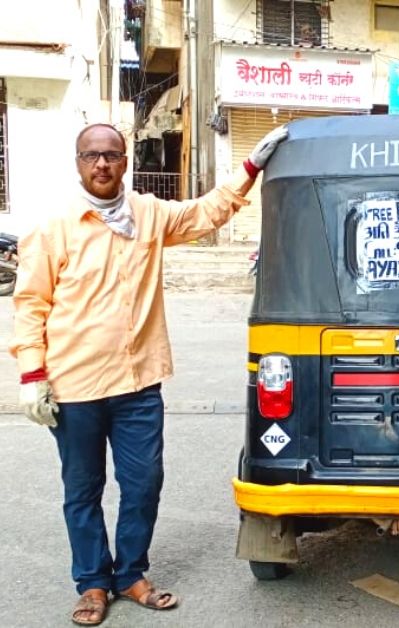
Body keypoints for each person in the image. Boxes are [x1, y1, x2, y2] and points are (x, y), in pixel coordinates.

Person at [10, 122, 288, 626]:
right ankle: (93, 582)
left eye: (112, 155)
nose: (102, 165)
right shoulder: (54, 228)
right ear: (77, 162)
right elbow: (31, 305)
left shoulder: (148, 214)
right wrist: (33, 375)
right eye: (91, 156)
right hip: (75, 387)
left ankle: (131, 573)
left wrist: (249, 168)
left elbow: (205, 212)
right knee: (83, 489)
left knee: (144, 484)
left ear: (125, 161)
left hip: (139, 385)